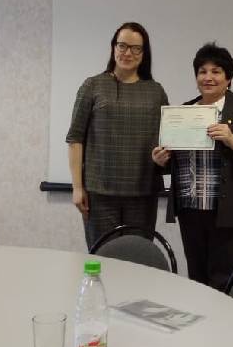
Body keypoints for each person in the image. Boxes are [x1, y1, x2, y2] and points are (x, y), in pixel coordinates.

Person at [152, 42, 233, 290]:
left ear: (228, 78)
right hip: (191, 210)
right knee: (197, 282)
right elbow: (176, 160)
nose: (208, 77)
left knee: (228, 282)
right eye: (202, 71)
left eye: (216, 71)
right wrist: (160, 161)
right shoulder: (184, 112)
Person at [67, 22, 169, 249]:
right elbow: (75, 139)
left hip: (143, 193)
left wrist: (163, 156)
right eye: (122, 46)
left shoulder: (156, 91)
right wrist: (77, 187)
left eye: (135, 48)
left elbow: (167, 139)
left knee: (137, 259)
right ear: (113, 47)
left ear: (144, 53)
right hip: (99, 194)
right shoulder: (93, 85)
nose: (127, 53)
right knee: (103, 257)